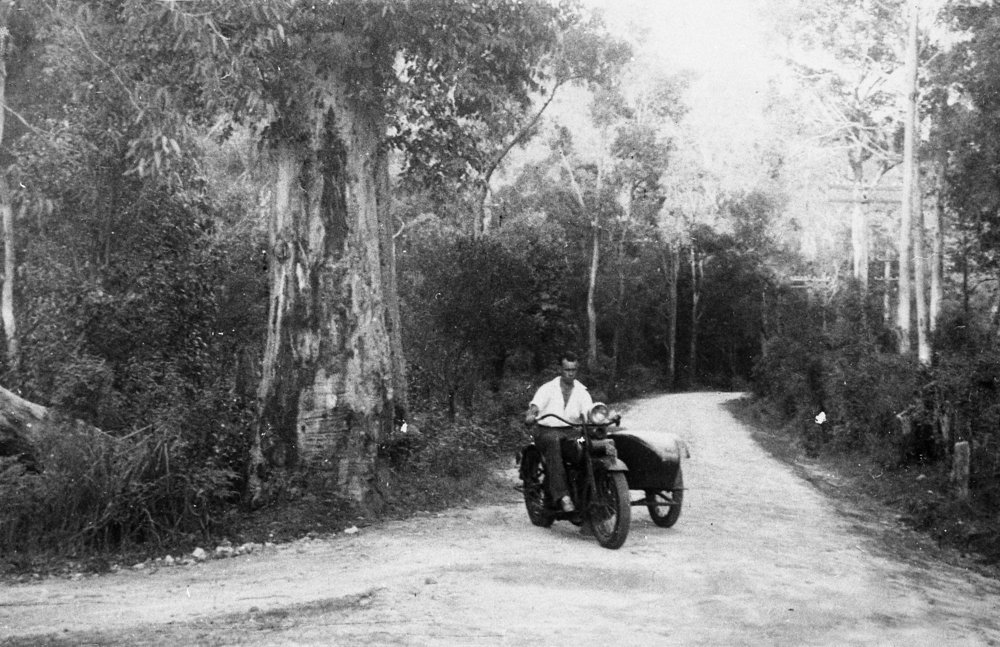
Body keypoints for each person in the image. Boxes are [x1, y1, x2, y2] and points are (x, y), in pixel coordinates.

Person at [524, 351, 593, 513]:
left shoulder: (582, 391)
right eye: (567, 369)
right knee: (555, 443)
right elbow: (535, 406)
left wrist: (598, 417)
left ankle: (590, 497)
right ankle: (563, 496)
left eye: (573, 370)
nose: (570, 373)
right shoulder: (548, 388)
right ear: (560, 369)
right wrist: (531, 414)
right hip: (546, 432)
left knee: (587, 445)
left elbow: (589, 412)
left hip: (572, 435)